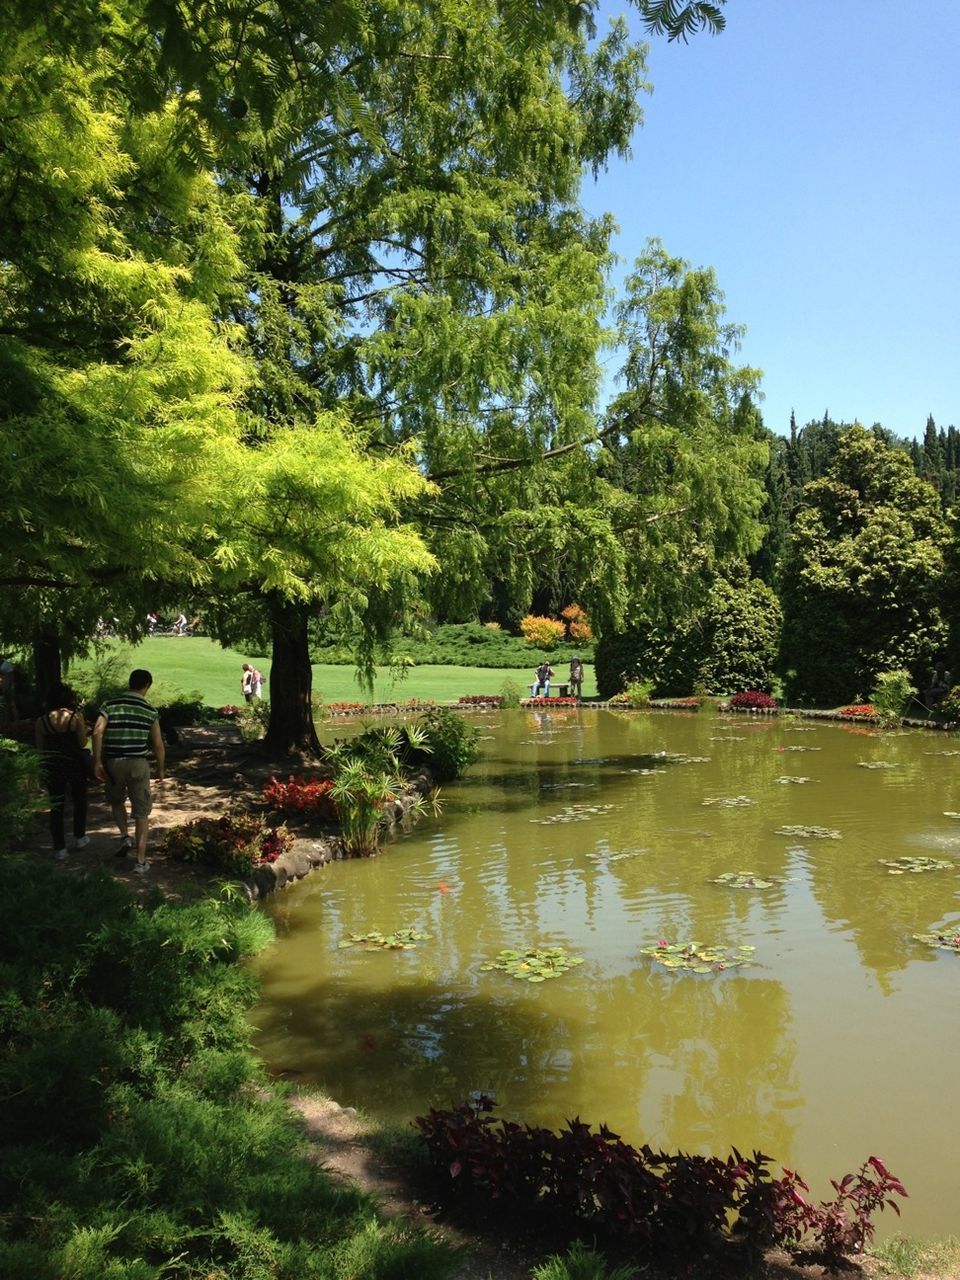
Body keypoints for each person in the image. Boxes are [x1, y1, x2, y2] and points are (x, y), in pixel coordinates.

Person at [92, 669, 165, 874]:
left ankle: (125, 836)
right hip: (138, 764)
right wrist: (160, 768)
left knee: (116, 801)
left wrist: (96, 761)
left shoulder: (110, 705)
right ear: (147, 686)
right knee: (142, 813)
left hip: (113, 764)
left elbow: (97, 732)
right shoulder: (150, 710)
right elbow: (158, 744)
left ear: (130, 683)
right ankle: (140, 861)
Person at [35, 683, 89, 860]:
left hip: (53, 766)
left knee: (56, 807)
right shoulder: (75, 717)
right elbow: (82, 743)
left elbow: (41, 750)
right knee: (79, 800)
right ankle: (80, 837)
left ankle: (60, 848)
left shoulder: (41, 721)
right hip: (74, 765)